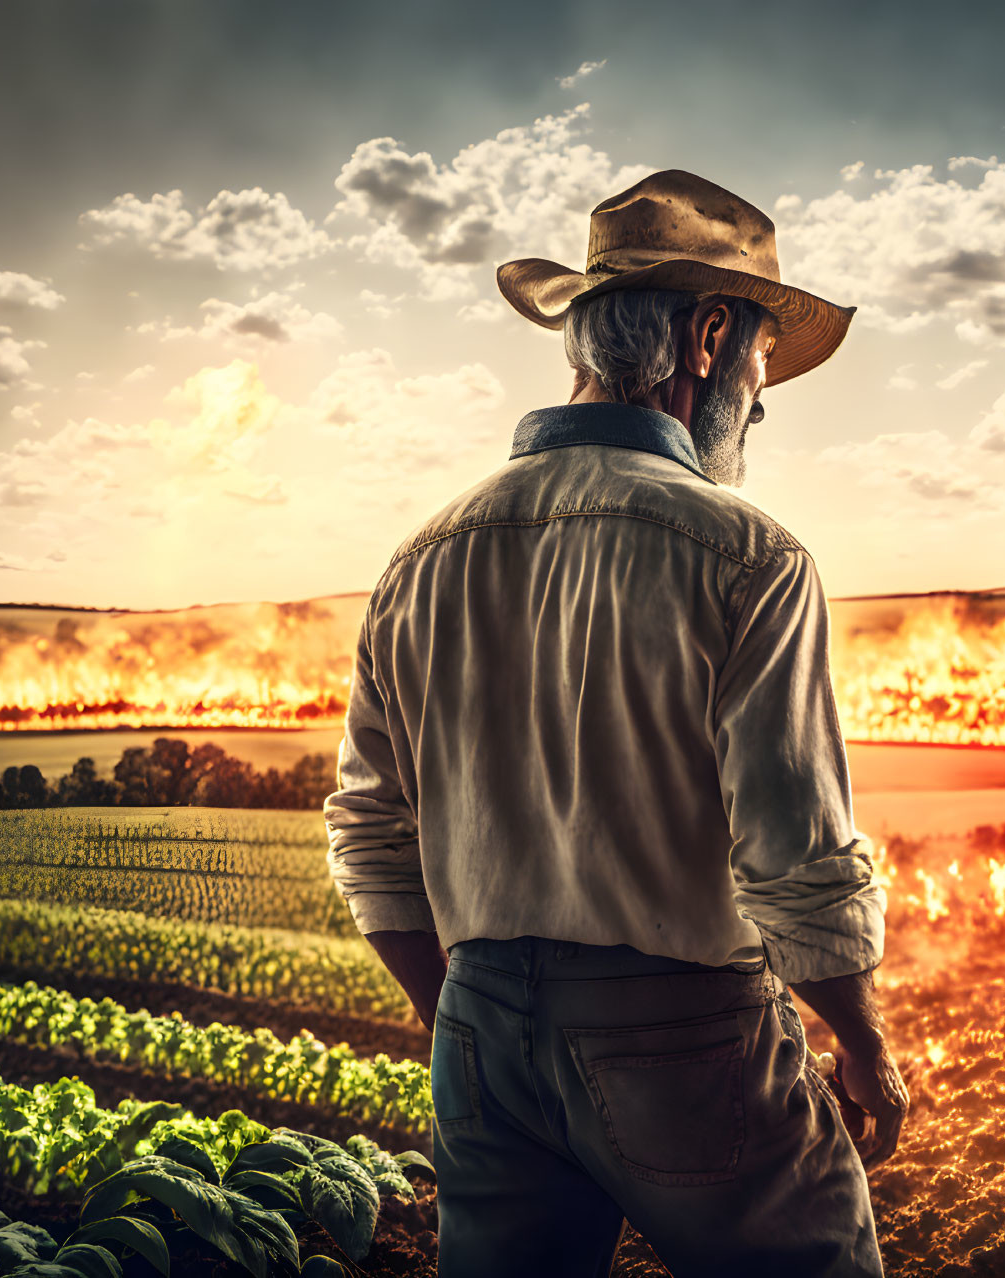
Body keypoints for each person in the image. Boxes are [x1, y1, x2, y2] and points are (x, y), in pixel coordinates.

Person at [323, 168, 908, 1277]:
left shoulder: (421, 558)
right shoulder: (747, 556)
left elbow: (370, 837)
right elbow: (794, 853)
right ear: (708, 338)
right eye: (758, 361)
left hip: (477, 1030)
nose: (760, 394)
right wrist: (863, 1044)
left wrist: (469, 1022)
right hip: (684, 1035)